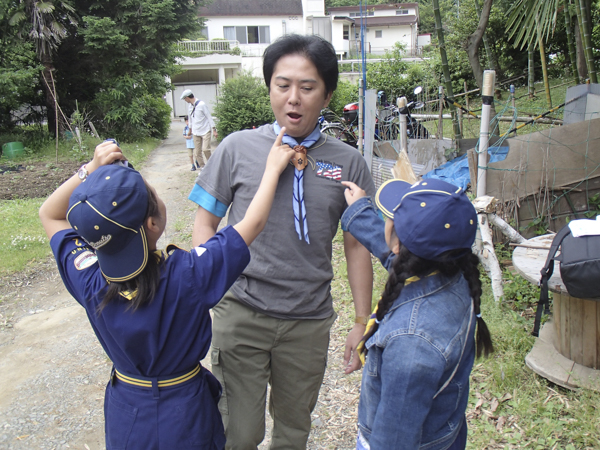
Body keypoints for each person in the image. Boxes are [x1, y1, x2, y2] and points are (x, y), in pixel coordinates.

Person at [38, 135, 295, 450]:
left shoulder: (90, 280)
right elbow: (252, 223)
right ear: (153, 224)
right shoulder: (187, 273)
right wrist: (272, 168)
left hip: (126, 412)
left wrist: (89, 170)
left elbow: (50, 214)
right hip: (186, 410)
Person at [189, 34, 375, 449]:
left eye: (307, 88)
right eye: (282, 85)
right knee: (238, 431)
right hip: (241, 312)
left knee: (293, 430)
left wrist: (361, 321)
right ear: (269, 87)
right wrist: (202, 293)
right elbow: (205, 223)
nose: (293, 98)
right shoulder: (237, 148)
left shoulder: (349, 162)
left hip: (307, 321)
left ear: (326, 95)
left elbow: (357, 246)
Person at [340, 178, 494, 450]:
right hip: (445, 433)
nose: (387, 218)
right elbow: (393, 256)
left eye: (391, 217)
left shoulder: (412, 344)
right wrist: (359, 211)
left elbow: (394, 441)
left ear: (398, 243)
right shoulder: (455, 274)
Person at [181, 89, 218, 169]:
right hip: (196, 131)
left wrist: (214, 130)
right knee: (197, 152)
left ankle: (212, 165)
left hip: (205, 130)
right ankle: (203, 167)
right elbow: (190, 119)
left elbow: (209, 117)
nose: (185, 100)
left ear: (187, 98)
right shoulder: (190, 106)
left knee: (205, 149)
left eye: (185, 99)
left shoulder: (202, 105)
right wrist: (190, 130)